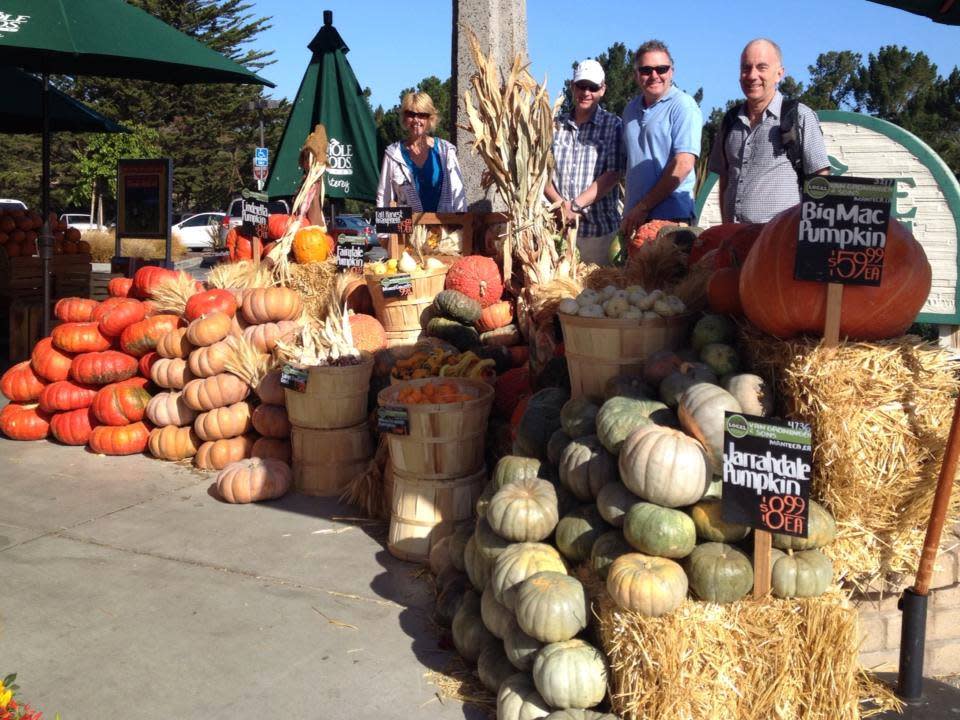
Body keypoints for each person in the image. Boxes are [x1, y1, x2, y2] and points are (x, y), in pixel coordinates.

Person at [708, 38, 830, 224]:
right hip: (735, 240)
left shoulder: (799, 116)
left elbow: (820, 178)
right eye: (746, 68)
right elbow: (725, 179)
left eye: (761, 67)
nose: (752, 75)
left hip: (780, 242)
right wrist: (726, 228)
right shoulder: (729, 121)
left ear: (779, 74)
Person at [620, 40, 703, 238]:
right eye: (646, 70)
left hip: (671, 220)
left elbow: (683, 163)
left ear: (672, 71)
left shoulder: (683, 106)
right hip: (636, 219)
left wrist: (644, 206)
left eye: (661, 69)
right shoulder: (629, 111)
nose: (654, 75)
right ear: (636, 75)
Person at [544, 59, 623, 265]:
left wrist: (576, 206)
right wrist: (561, 206)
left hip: (598, 233)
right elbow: (541, 172)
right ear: (572, 86)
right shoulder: (554, 125)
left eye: (593, 87)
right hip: (558, 230)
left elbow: (613, 174)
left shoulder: (613, 125)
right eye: (581, 86)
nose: (586, 92)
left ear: (602, 90)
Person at [376, 91, 467, 213]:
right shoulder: (393, 154)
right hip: (408, 231)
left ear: (430, 119)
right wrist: (384, 232)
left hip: (445, 229)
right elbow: (384, 198)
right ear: (404, 117)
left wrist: (462, 227)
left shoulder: (446, 151)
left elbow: (458, 195)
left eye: (422, 115)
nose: (416, 120)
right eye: (411, 114)